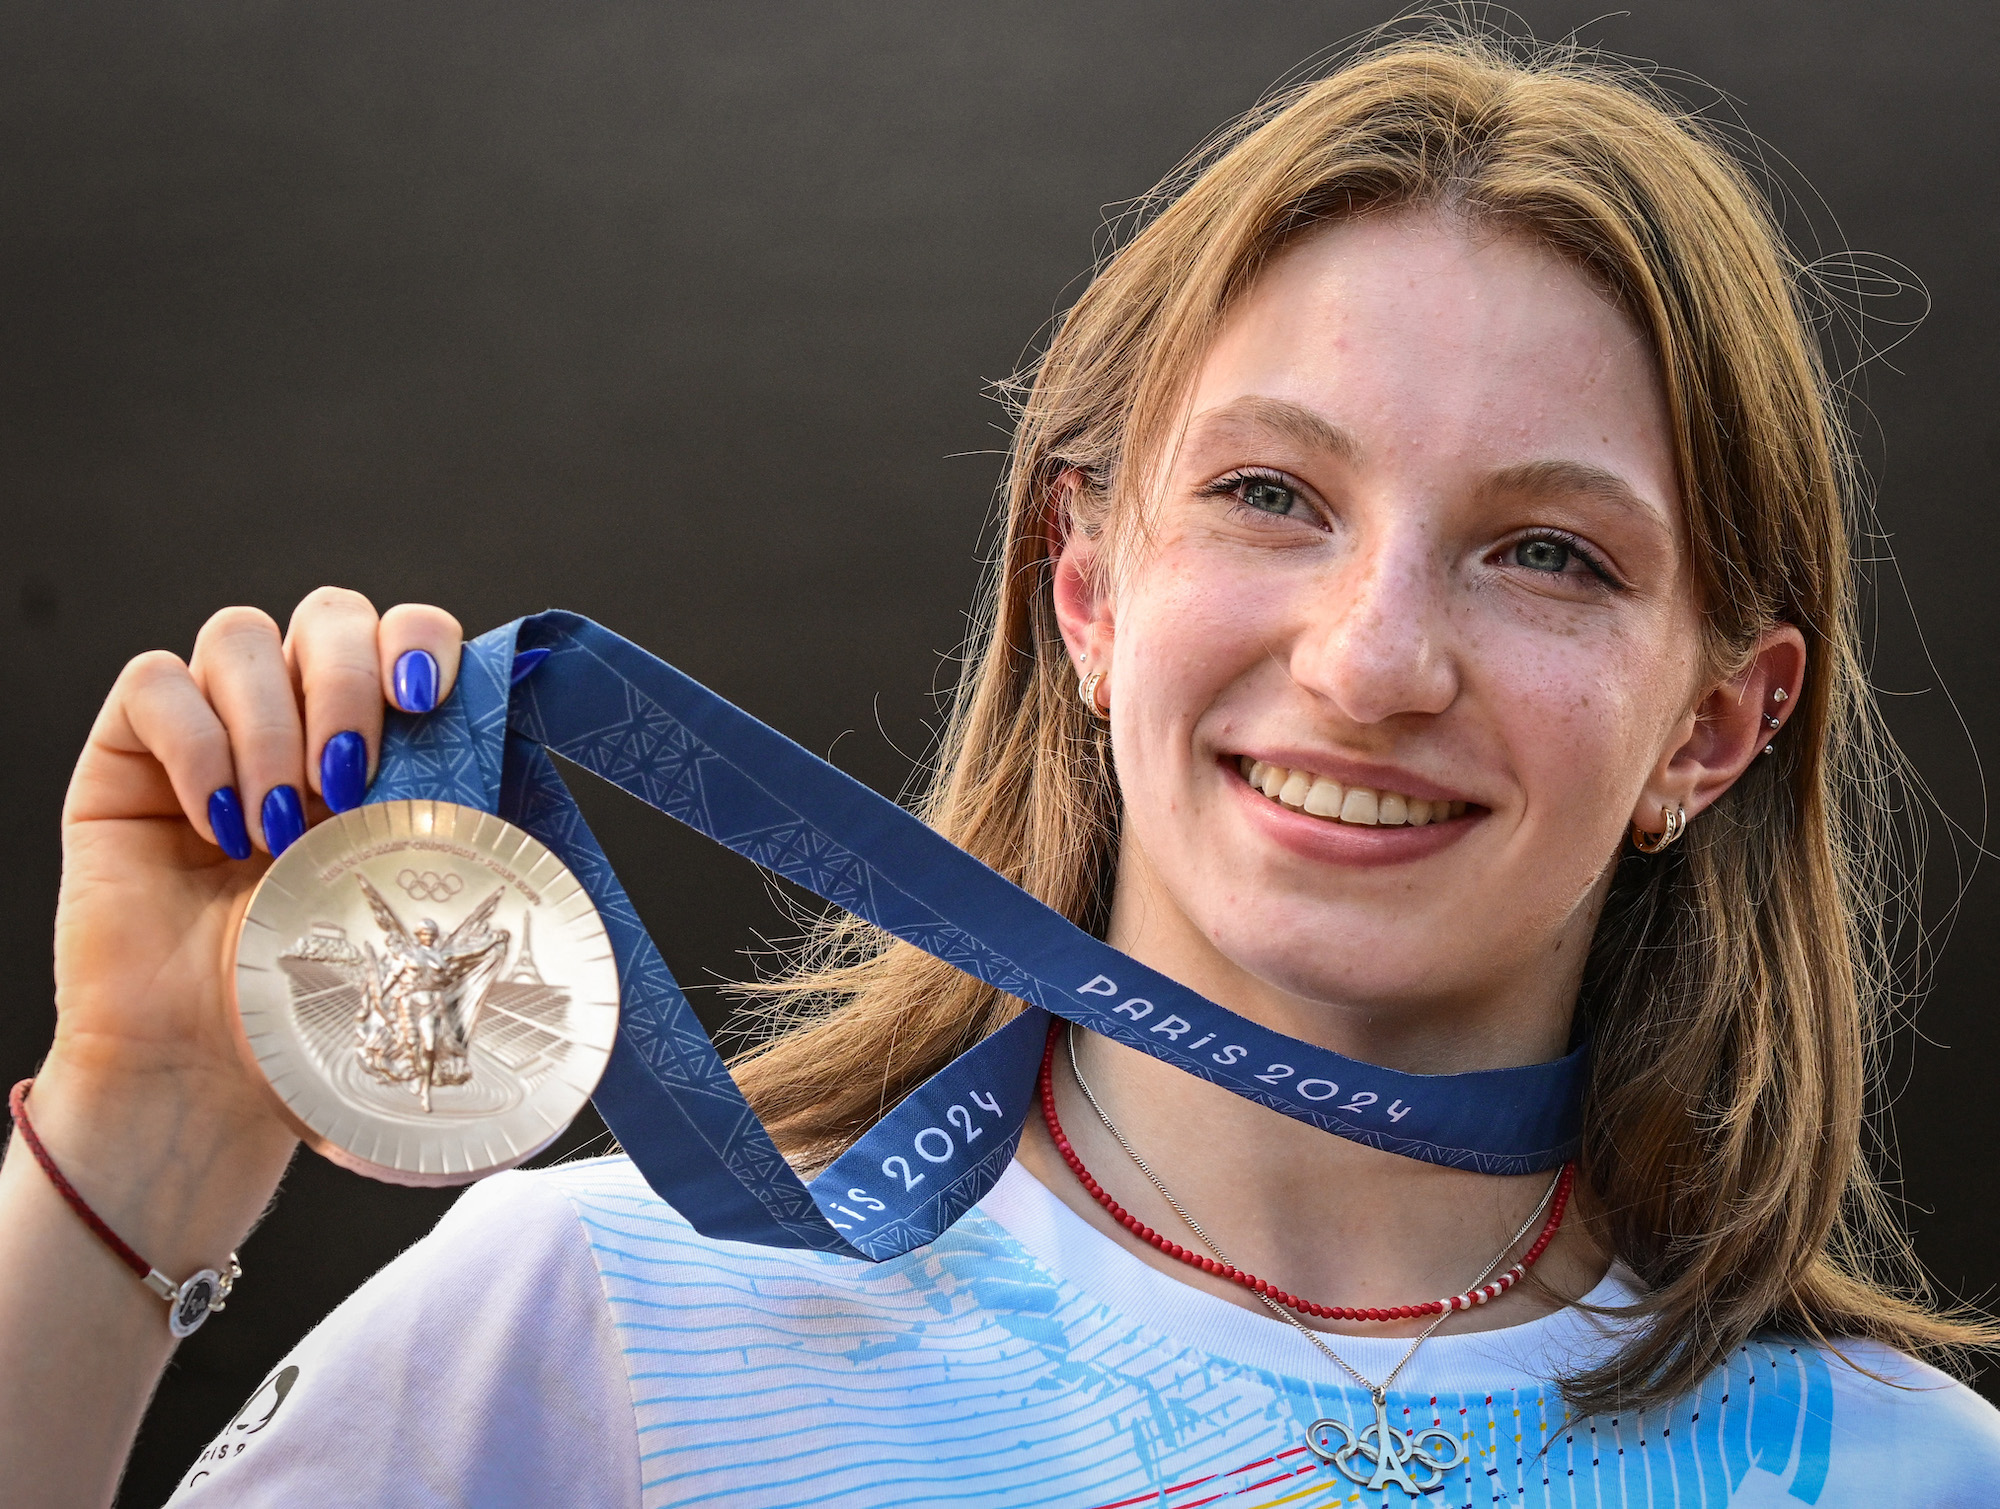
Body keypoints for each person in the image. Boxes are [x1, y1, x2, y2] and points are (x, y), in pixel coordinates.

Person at [5, 27, 1997, 1508]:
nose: (1376, 655)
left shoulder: (1920, 1477)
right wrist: (140, 1143)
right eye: (1270, 494)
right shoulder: (598, 1329)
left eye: (1546, 551)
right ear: (1087, 586)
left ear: (1717, 724)